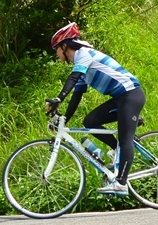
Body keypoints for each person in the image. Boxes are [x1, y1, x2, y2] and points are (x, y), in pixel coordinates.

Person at [45, 22, 146, 196]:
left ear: (64, 46)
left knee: (125, 138)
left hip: (130, 95)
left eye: (57, 49)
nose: (57, 54)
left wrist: (58, 99)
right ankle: (117, 152)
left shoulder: (83, 54)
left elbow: (74, 76)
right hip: (120, 99)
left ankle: (121, 183)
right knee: (90, 121)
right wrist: (63, 120)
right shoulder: (82, 63)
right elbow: (77, 94)